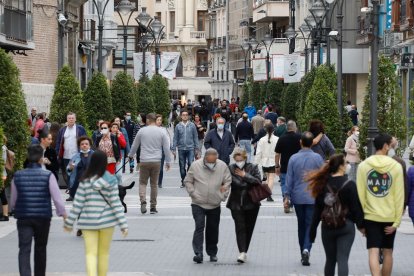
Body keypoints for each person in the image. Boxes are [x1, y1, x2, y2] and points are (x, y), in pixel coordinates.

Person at [64, 150, 128, 276]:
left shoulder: (84, 180)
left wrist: (69, 223)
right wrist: (123, 224)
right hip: (107, 223)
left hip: (88, 222)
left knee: (90, 254)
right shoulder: (112, 180)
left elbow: (78, 204)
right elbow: (116, 203)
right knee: (104, 254)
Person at [11, 144, 66, 276]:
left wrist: (15, 209)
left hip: (23, 217)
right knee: (40, 248)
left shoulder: (18, 175)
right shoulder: (48, 175)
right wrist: (63, 213)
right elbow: (57, 197)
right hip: (43, 217)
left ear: (27, 157)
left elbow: (13, 199)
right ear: (41, 158)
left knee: (24, 248)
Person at [308, 154, 364, 276]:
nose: (348, 165)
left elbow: (317, 211)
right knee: (343, 259)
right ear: (341, 167)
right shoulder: (350, 185)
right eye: (346, 163)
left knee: (330, 260)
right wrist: (361, 227)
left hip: (327, 227)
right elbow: (356, 209)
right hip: (346, 226)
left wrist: (312, 232)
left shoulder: (322, 184)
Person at [356, 133, 404, 276]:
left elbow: (360, 195)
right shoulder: (396, 167)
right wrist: (397, 222)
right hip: (389, 216)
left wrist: (361, 222)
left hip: (371, 216)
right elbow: (399, 195)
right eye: (390, 145)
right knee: (388, 251)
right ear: (385, 146)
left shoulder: (364, 166)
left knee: (373, 251)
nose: (390, 148)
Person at [184, 148, 232, 264]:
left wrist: (222, 196)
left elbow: (228, 181)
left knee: (212, 229)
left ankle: (212, 252)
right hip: (198, 202)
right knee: (199, 227)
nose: (211, 164)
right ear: (205, 158)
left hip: (214, 203)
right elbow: (188, 181)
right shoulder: (195, 166)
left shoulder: (222, 166)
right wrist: (193, 193)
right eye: (209, 161)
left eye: (213, 161)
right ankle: (198, 253)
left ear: (217, 158)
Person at [284, 132, 324, 266]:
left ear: (300, 142)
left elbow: (289, 178)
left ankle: (303, 250)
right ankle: (307, 249)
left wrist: (286, 196)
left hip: (298, 196)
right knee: (310, 225)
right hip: (313, 196)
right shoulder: (318, 158)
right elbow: (323, 177)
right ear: (312, 142)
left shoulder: (293, 158)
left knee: (301, 225)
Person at [129, 113, 171, 214]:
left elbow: (135, 145)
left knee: (143, 182)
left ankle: (143, 200)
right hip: (156, 160)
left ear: (147, 120)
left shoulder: (142, 131)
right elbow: (166, 147)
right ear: (155, 119)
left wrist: (130, 155)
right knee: (154, 184)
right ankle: (153, 207)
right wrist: (168, 161)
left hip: (144, 160)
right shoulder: (161, 131)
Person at [227, 148, 261, 263]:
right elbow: (229, 181)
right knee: (240, 227)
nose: (238, 162)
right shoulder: (230, 168)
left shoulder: (253, 167)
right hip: (235, 202)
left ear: (245, 158)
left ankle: (244, 250)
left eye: (240, 160)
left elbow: (258, 181)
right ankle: (242, 252)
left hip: (251, 202)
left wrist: (245, 175)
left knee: (249, 228)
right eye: (236, 160)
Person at [275, 120, 302, 212]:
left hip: (284, 166)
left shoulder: (282, 138)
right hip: (298, 167)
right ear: (295, 128)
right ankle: (291, 203)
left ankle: (285, 199)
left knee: (284, 184)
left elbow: (277, 154)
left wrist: (276, 166)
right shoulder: (300, 137)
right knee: (295, 185)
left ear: (287, 128)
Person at [56, 112, 87, 188]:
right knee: (68, 174)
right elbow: (58, 142)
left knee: (76, 173)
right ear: (67, 119)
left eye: (72, 118)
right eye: (69, 118)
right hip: (66, 156)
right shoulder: (62, 130)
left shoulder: (80, 129)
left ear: (75, 119)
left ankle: (75, 191)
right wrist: (57, 153)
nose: (71, 120)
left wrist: (85, 152)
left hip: (77, 155)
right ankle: (71, 191)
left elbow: (85, 140)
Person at [172, 110, 199, 188]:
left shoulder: (192, 125)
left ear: (188, 116)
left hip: (191, 148)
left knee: (191, 164)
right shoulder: (178, 126)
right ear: (181, 116)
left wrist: (197, 148)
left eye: (186, 115)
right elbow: (175, 138)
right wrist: (174, 149)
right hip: (181, 148)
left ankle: (189, 179)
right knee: (182, 166)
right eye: (183, 115)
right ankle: (183, 180)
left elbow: (195, 137)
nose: (185, 116)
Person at [67, 136, 94, 202]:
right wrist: (70, 168)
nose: (84, 145)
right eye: (82, 144)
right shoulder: (75, 156)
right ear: (79, 146)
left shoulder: (95, 155)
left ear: (90, 145)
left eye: (86, 144)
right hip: (77, 184)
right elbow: (68, 170)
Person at [255, 123, 278, 201]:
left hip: (264, 161)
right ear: (273, 129)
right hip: (273, 161)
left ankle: (267, 193)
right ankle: (269, 194)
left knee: (267, 178)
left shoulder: (262, 140)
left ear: (265, 130)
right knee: (271, 178)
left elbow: (258, 152)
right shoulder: (277, 139)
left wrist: (256, 163)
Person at [156, 114, 171, 189]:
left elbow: (167, 140)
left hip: (162, 150)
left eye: (160, 120)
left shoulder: (164, 129)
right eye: (157, 120)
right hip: (153, 150)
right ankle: (154, 181)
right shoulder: (152, 129)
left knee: (160, 168)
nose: (159, 121)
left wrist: (167, 150)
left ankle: (159, 182)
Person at [0, 135, 10, 221]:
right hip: (2, 174)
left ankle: (5, 215)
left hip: (1, 174)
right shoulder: (3, 148)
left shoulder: (2, 148)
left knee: (2, 193)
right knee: (2, 193)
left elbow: (2, 163)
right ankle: (5, 214)